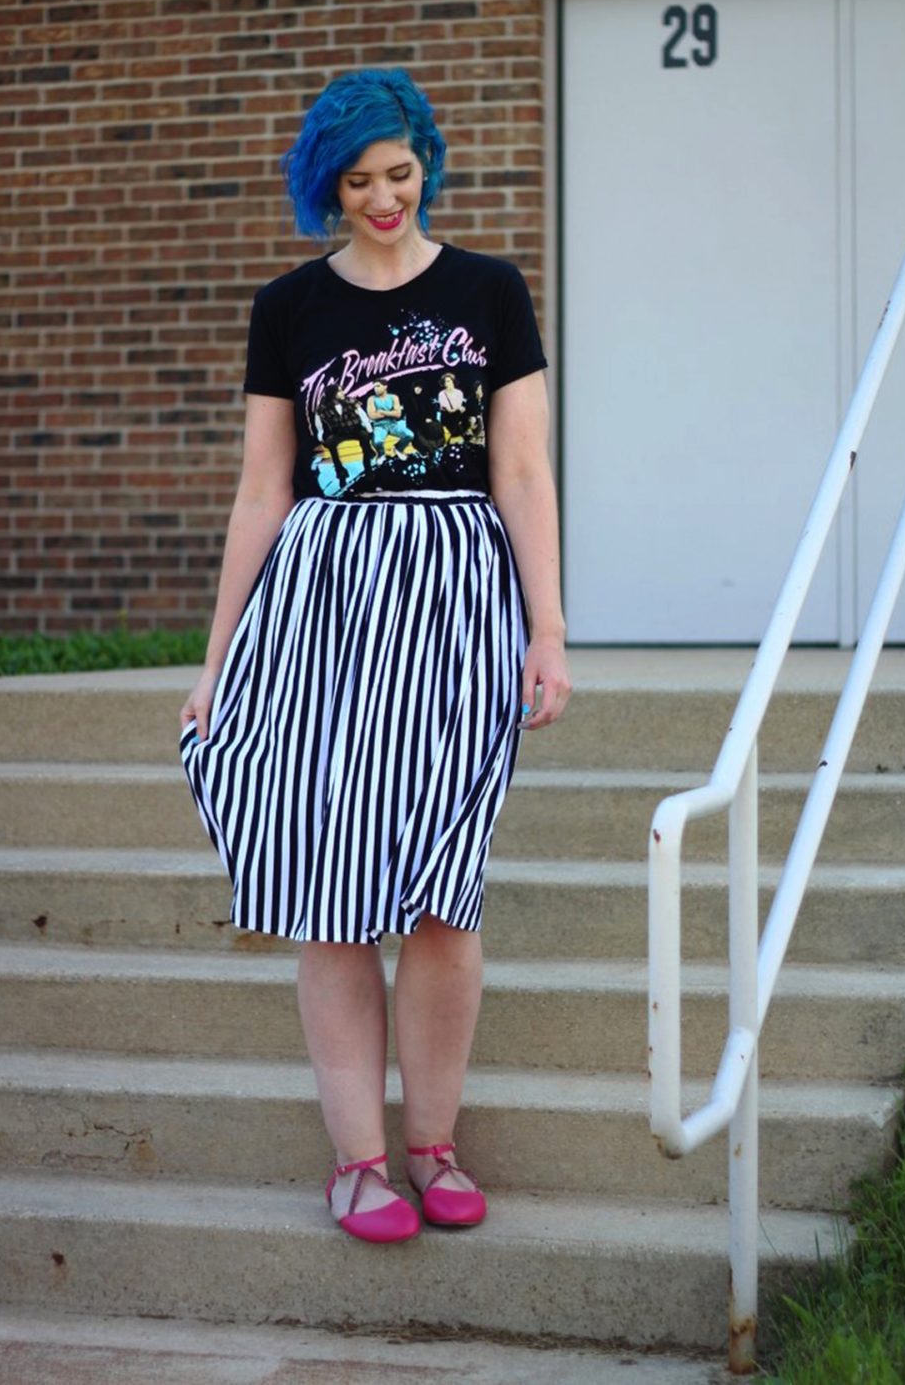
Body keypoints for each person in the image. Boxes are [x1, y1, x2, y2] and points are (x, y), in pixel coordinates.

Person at [179, 67, 570, 1246]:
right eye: (357, 181)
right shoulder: (288, 305)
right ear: (327, 186)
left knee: (445, 897)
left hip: (457, 599)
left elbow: (520, 472)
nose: (383, 198)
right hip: (325, 603)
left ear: (425, 165)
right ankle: (358, 1162)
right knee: (334, 894)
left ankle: (434, 1141)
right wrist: (213, 661)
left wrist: (546, 628)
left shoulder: (490, 291)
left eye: (399, 174)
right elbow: (262, 489)